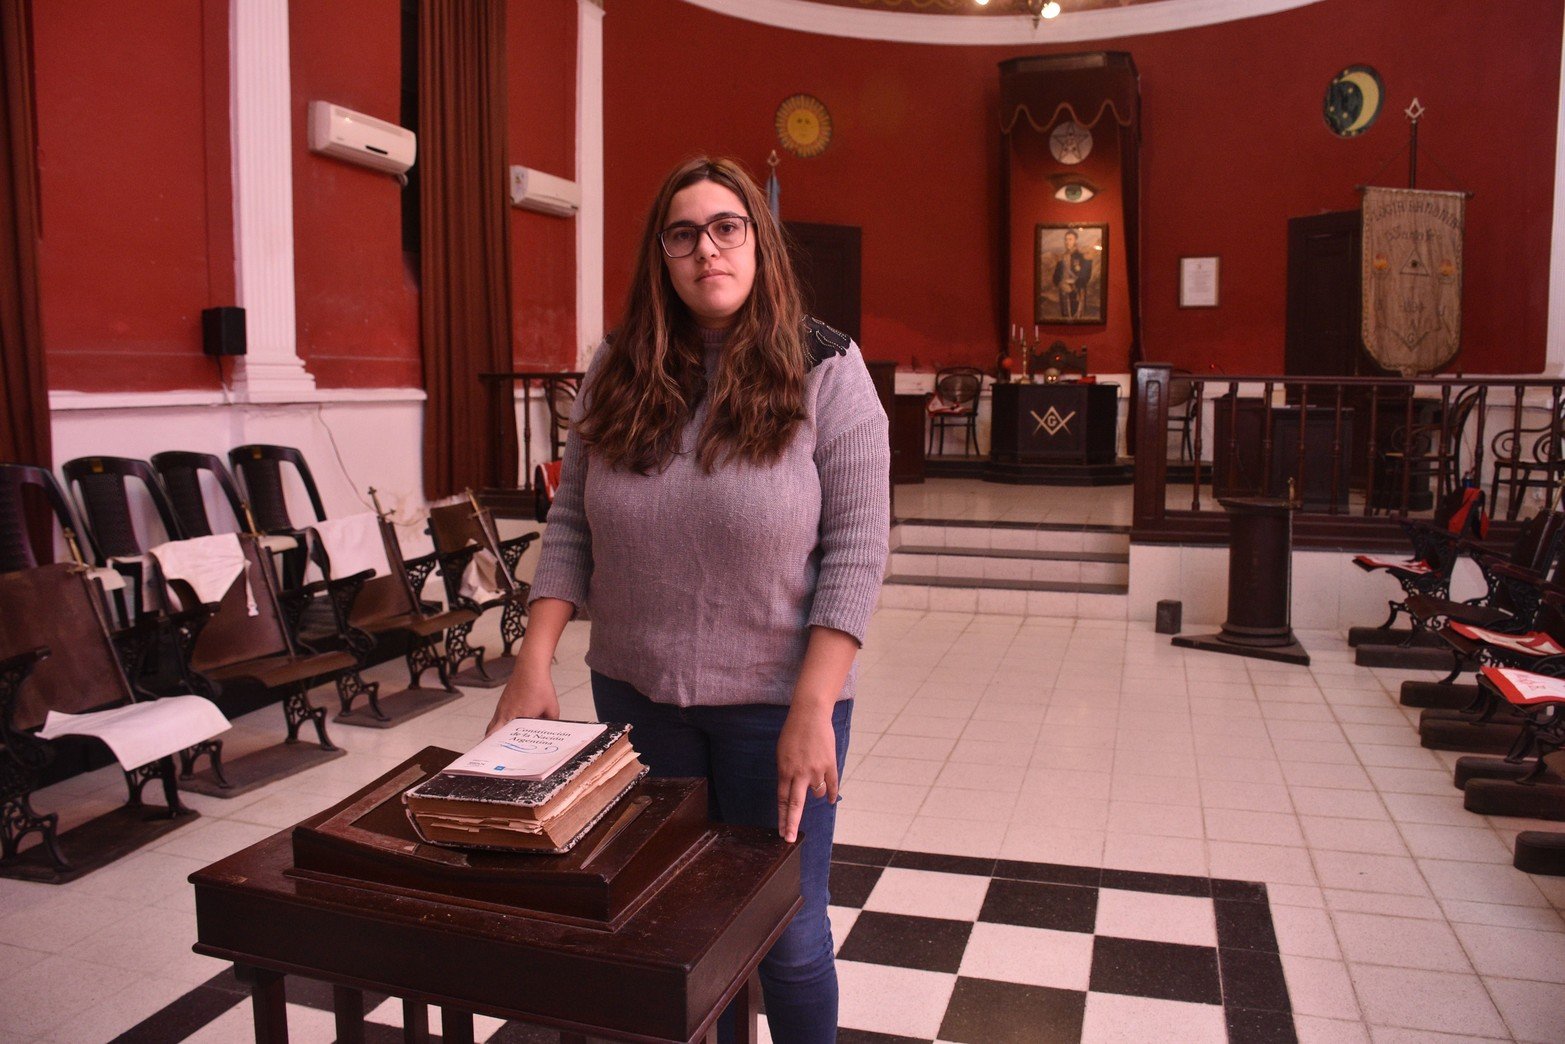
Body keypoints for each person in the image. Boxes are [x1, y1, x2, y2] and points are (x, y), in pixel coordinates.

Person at [486, 156, 890, 1044]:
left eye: (726, 227)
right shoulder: (619, 366)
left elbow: (856, 551)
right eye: (683, 234)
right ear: (660, 256)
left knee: (786, 933)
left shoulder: (826, 369)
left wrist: (813, 703)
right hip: (637, 700)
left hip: (775, 709)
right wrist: (532, 661)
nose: (706, 248)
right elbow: (570, 527)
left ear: (757, 241)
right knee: (662, 927)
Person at [1052, 229, 1092, 319]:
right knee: (1065, 317)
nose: (1067, 242)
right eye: (1066, 239)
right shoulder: (1062, 257)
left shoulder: (1082, 256)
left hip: (1077, 292)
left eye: (1070, 239)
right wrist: (1060, 283)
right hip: (1064, 293)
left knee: (1076, 318)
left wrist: (1074, 286)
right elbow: (1056, 277)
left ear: (1075, 241)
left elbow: (1086, 275)